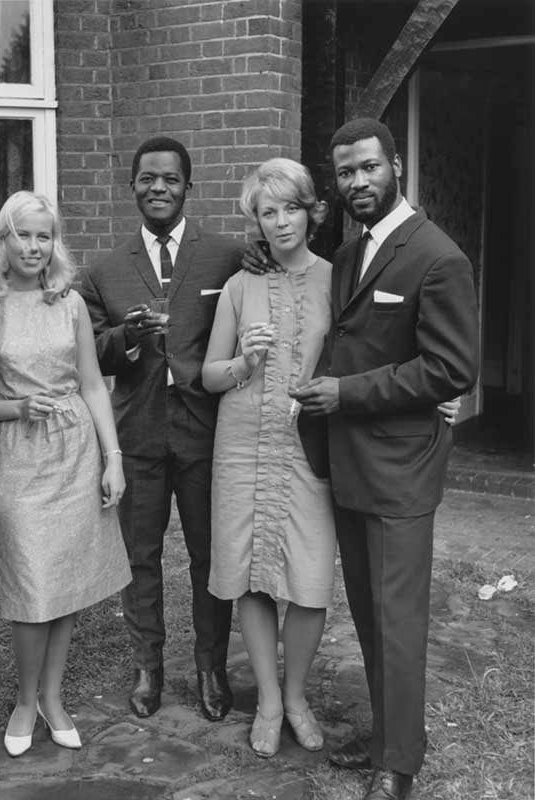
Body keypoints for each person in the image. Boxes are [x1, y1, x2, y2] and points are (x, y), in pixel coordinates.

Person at [292, 118, 478, 800]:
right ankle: (385, 738)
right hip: (348, 462)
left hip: (401, 470)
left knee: (397, 622)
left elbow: (451, 368)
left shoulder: (437, 256)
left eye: (368, 167)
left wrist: (345, 393)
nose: (358, 182)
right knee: (370, 615)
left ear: (395, 165)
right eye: (345, 173)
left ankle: (398, 765)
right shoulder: (348, 253)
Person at [0, 191, 131, 758]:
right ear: (2, 240)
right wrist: (13, 408)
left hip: (75, 450)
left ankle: (53, 698)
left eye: (44, 236)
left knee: (67, 578)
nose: (34, 247)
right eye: (23, 235)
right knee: (32, 582)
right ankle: (25, 701)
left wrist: (113, 456)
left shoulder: (69, 302)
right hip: (19, 455)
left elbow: (92, 384)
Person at [79, 137, 244, 722]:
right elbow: (89, 352)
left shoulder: (226, 256)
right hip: (140, 433)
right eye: (147, 178)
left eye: (170, 179)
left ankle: (210, 666)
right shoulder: (104, 270)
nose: (158, 188)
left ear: (188, 188)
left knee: (209, 555)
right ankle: (148, 665)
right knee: (141, 555)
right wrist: (126, 337)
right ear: (132, 187)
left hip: (206, 432)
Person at [202, 158, 336, 758]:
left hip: (310, 447)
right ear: (255, 220)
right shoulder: (240, 285)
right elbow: (209, 375)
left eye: (290, 209)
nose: (280, 222)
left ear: (311, 212)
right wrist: (244, 362)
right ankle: (270, 701)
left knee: (310, 582)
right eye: (267, 212)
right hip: (242, 444)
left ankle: (298, 695)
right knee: (251, 575)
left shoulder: (338, 278)